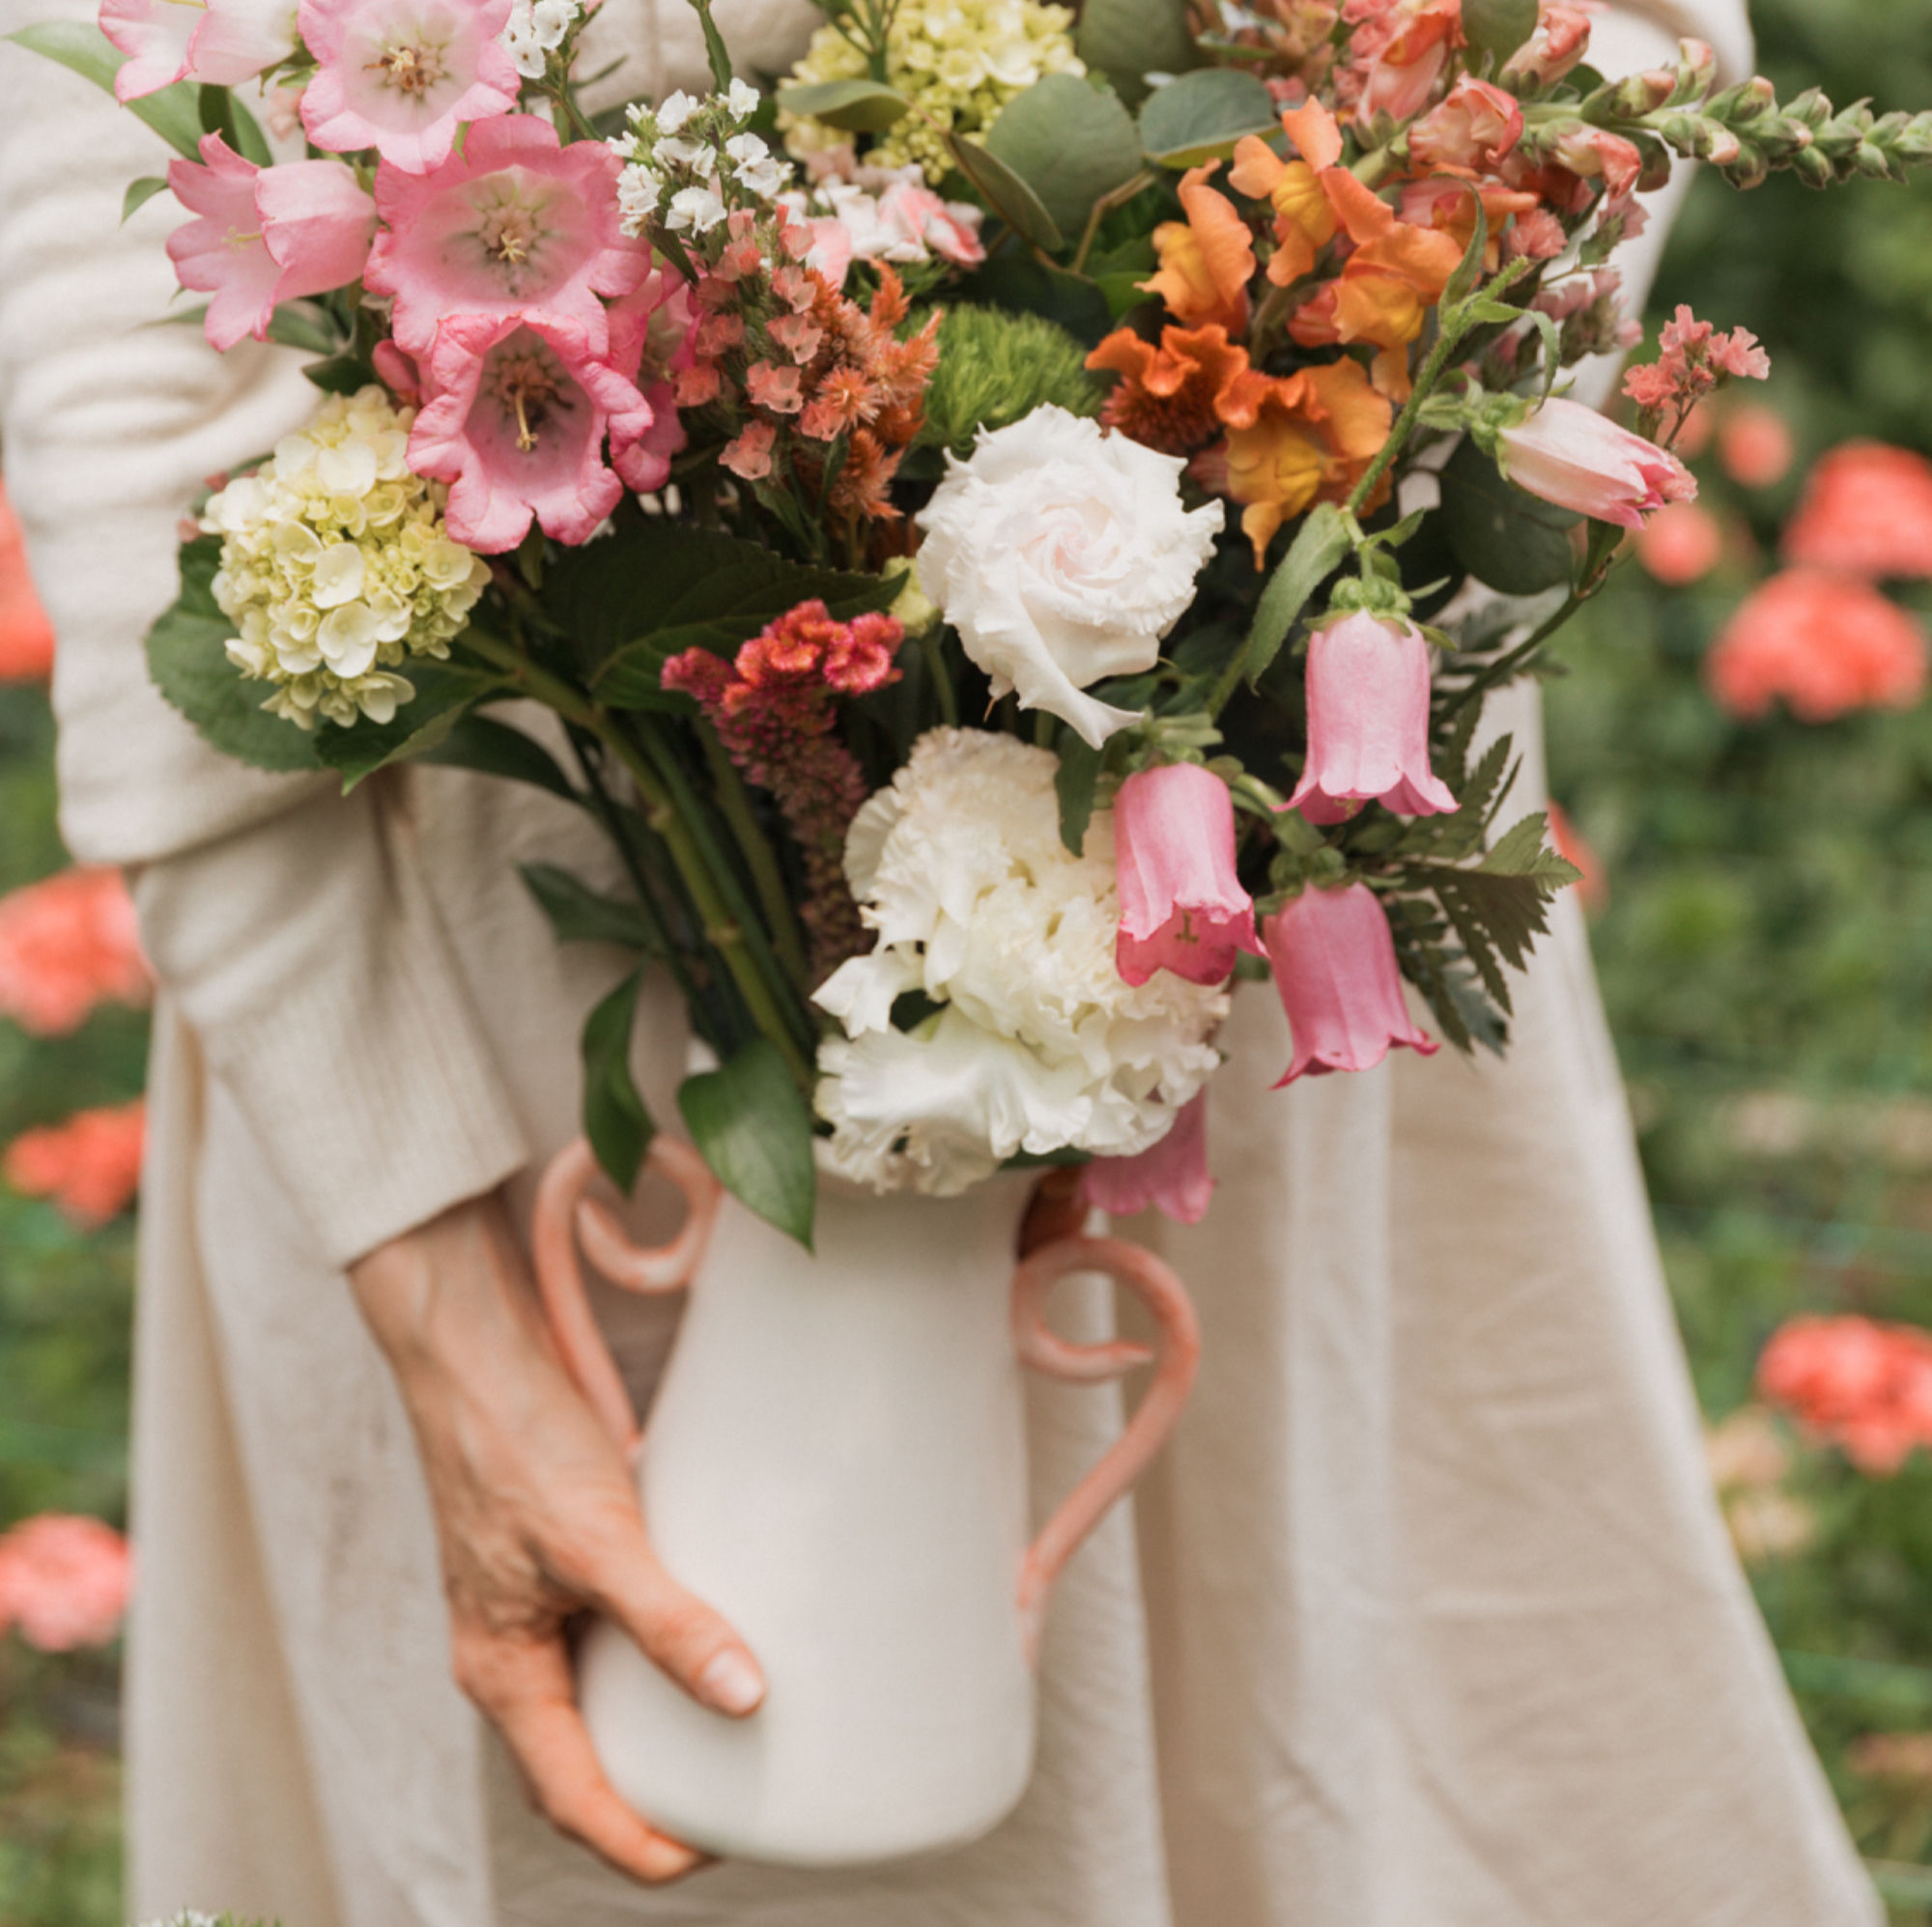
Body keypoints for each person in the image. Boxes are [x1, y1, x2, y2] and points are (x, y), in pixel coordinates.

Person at [0, 0, 1886, 1920]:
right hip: (537, 1045)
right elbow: (128, 327)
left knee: (1311, 1778)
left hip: (1230, 868)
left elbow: (1630, 41)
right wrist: (446, 1301)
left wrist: (1342, 403)